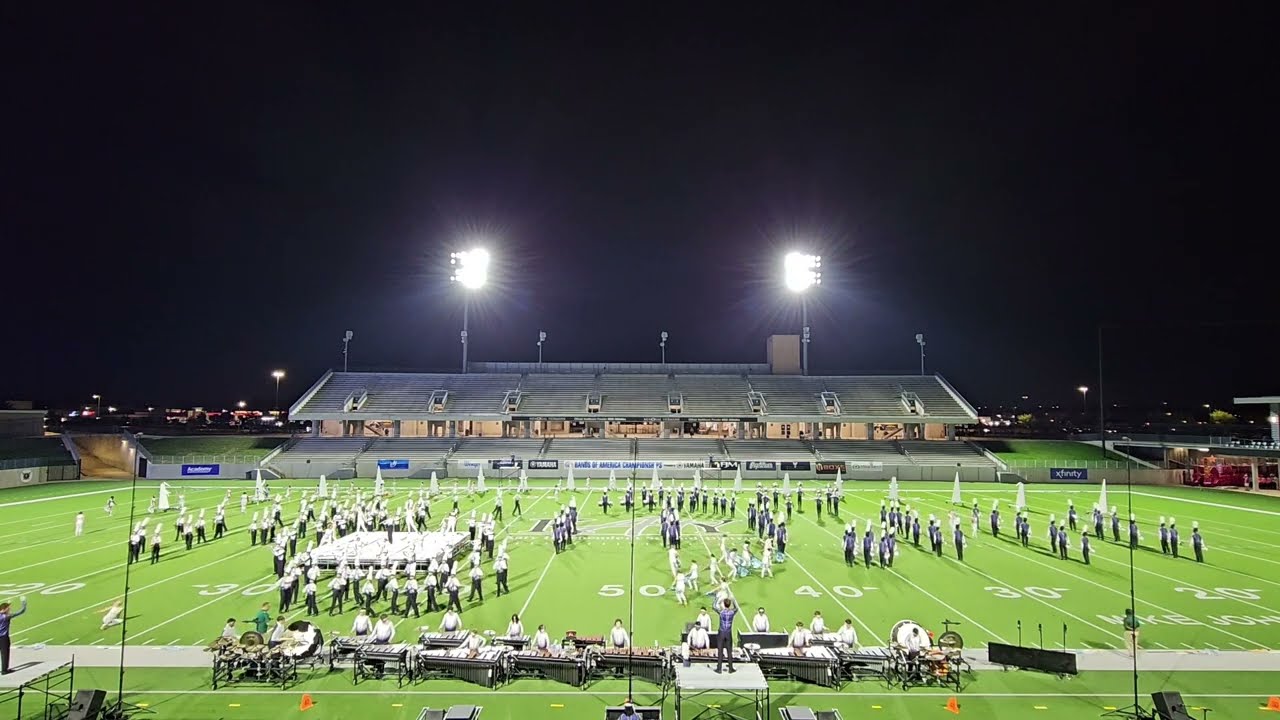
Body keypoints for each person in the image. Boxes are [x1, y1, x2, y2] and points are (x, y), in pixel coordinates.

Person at [1, 597, 28, 674]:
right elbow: (21, 611)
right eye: (8, 609)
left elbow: (4, 608)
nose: (9, 610)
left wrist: (9, 603)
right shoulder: (6, 617)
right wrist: (24, 603)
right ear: (5, 609)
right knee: (4, 653)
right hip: (3, 637)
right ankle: (4, 670)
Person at [714, 597, 737, 673]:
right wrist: (733, 600)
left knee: (720, 651)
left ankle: (719, 668)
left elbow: (713, 606)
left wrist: (717, 599)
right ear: (729, 605)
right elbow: (736, 608)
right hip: (728, 632)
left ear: (724, 604)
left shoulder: (721, 612)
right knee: (729, 651)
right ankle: (730, 668)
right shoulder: (732, 612)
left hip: (721, 632)